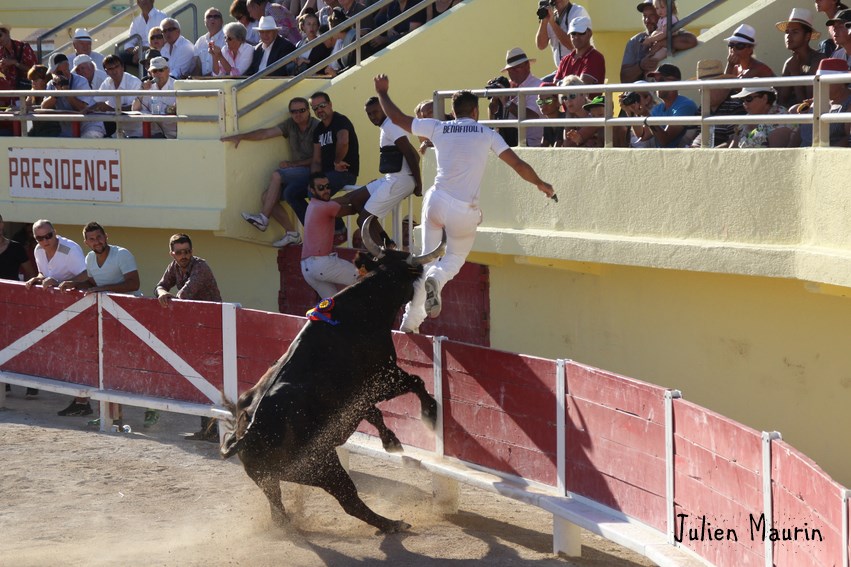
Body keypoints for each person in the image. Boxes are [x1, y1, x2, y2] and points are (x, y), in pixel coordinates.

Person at [372, 74, 556, 334]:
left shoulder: (438, 127)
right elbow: (518, 165)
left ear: (454, 112)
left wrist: (382, 93)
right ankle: (436, 280)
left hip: (435, 201)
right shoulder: (487, 133)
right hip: (463, 209)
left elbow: (400, 119)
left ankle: (409, 324)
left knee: (426, 260)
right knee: (454, 258)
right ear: (475, 111)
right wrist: (540, 183)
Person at [57, 222, 154, 428]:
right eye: (91, 239)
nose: (97, 242)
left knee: (138, 364)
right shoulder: (90, 258)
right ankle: (113, 416)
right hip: (108, 318)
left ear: (106, 236)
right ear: (86, 242)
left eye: (99, 237)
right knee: (110, 366)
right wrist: (75, 284)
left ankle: (152, 409)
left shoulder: (122, 254)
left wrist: (102, 289)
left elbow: (133, 284)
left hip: (132, 317)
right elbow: (92, 283)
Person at [155, 233, 223, 442]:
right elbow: (161, 285)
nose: (184, 256)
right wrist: (160, 293)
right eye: (179, 252)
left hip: (214, 328)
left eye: (187, 252)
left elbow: (183, 296)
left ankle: (217, 430)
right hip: (197, 329)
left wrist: (166, 295)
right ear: (172, 254)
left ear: (192, 252)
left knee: (212, 378)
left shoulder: (200, 267)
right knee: (201, 377)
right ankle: (208, 429)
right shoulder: (173, 267)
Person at [229, 96, 319, 247]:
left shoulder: (317, 127)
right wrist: (242, 136)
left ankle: (263, 218)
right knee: (267, 198)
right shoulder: (290, 124)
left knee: (278, 174)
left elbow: (319, 158)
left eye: (302, 110)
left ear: (308, 111)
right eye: (294, 111)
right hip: (296, 171)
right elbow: (265, 133)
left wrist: (292, 164)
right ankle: (292, 233)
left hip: (313, 171)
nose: (298, 114)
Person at [336, 96, 422, 248]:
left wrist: (417, 183)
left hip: (399, 180)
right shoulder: (388, 125)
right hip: (392, 178)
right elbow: (414, 154)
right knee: (354, 200)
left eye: (375, 112)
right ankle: (388, 244)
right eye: (368, 114)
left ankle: (387, 257)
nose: (372, 116)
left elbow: (410, 154)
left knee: (363, 220)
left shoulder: (391, 125)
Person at [23, 220, 87, 404]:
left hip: (78, 308)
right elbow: (46, 274)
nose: (45, 241)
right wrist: (39, 278)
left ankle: (82, 401)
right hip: (55, 310)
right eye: (39, 238)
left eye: (48, 236)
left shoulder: (70, 250)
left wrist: (59, 283)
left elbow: (85, 276)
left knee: (79, 352)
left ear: (55, 232)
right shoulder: (38, 251)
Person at [307, 91, 359, 240]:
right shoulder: (318, 130)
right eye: (315, 108)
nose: (319, 110)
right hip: (327, 174)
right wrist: (313, 179)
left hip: (345, 173)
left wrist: (337, 162)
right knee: (301, 191)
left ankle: (339, 229)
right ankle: (325, 228)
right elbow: (316, 160)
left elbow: (343, 141)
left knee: (316, 193)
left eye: (322, 105)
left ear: (330, 105)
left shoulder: (341, 120)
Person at [300, 172, 359, 298]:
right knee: (363, 277)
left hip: (307, 268)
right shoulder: (326, 207)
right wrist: (370, 194)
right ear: (312, 190)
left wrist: (362, 192)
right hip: (321, 264)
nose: (326, 190)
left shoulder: (314, 204)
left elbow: (342, 199)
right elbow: (352, 208)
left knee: (332, 306)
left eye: (328, 186)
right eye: (321, 188)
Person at [41, 53, 106, 139]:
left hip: (90, 126)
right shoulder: (51, 84)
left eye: (66, 70)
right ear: (52, 73)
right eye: (59, 72)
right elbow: (44, 108)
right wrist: (55, 94)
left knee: (87, 141)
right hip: (68, 130)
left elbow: (82, 108)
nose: (65, 74)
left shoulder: (81, 81)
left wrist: (67, 93)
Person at [791, 58, 851, 147]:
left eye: (825, 82)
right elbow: (800, 133)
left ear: (841, 82)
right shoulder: (816, 100)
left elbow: (848, 140)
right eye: (818, 82)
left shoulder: (848, 105)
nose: (819, 86)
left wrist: (824, 156)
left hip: (829, 157)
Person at [776, 8, 826, 108]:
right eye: (787, 32)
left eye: (795, 32)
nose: (788, 36)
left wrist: (795, 74)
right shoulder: (790, 62)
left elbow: (808, 103)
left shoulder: (818, 60)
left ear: (807, 36)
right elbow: (781, 101)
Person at [688, 59, 744, 148]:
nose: (701, 91)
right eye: (700, 87)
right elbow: (688, 135)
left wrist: (711, 153)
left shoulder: (736, 105)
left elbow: (735, 140)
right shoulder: (703, 107)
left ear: (721, 85)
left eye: (707, 87)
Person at [642, 63, 698, 148]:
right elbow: (643, 136)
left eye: (661, 80)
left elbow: (665, 140)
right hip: (665, 158)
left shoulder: (686, 105)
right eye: (654, 81)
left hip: (680, 158)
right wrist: (631, 111)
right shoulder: (658, 108)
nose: (656, 84)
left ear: (675, 82)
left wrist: (646, 115)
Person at [497, 47, 542, 147]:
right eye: (510, 69)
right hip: (506, 142)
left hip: (529, 144)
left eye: (517, 67)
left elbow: (531, 116)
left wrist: (506, 102)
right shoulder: (506, 86)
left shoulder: (537, 86)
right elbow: (493, 117)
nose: (513, 72)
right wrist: (495, 101)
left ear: (527, 66)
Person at [91, 54, 144, 138]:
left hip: (136, 131)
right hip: (118, 130)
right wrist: (88, 109)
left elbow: (133, 108)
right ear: (106, 71)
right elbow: (96, 101)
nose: (114, 71)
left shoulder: (134, 82)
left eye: (116, 67)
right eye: (110, 68)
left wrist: (110, 109)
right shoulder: (107, 82)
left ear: (122, 67)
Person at [535, 0, 589, 79]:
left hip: (581, 69)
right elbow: (541, 45)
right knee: (539, 87)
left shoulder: (577, 12)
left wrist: (553, 23)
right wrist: (544, 21)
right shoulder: (551, 15)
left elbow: (574, 45)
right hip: (562, 71)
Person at [728, 86, 797, 148]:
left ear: (764, 98)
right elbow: (731, 151)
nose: (744, 103)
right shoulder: (745, 120)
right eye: (743, 99)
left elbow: (776, 155)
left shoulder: (780, 118)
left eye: (748, 98)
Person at [131, 56, 177, 138]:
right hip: (152, 133)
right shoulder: (148, 87)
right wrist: (142, 91)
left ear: (168, 71)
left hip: (173, 134)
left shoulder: (176, 86)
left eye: (161, 70)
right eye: (155, 71)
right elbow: (134, 109)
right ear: (151, 73)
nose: (158, 73)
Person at [553, 16, 606, 85]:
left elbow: (581, 85)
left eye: (581, 33)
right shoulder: (565, 60)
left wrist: (560, 83)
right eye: (573, 33)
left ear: (590, 34)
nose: (576, 37)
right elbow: (555, 84)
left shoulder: (596, 57)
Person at [0, 22, 38, 112]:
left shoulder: (23, 47)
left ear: (7, 33)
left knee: (25, 119)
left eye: (0, 35)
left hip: (26, 90)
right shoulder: (1, 52)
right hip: (11, 94)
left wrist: (14, 63)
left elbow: (35, 71)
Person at [124, 0, 168, 68]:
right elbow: (128, 43)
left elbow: (166, 40)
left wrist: (143, 50)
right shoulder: (136, 21)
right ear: (138, 3)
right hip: (140, 51)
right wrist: (135, 52)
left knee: (147, 57)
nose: (144, 1)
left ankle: (147, 77)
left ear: (153, 1)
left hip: (158, 51)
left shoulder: (162, 17)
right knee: (120, 57)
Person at [24, 65, 61, 137]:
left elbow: (45, 108)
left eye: (35, 80)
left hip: (52, 129)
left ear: (45, 80)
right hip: (37, 129)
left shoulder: (52, 89)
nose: (33, 83)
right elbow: (25, 106)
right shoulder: (33, 91)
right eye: (32, 80)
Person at [619, 82, 658, 148]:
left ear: (648, 98)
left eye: (636, 96)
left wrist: (636, 113)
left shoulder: (657, 110)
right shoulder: (636, 111)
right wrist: (630, 113)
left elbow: (642, 136)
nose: (634, 100)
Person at [193, 7, 226, 76]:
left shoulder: (228, 38)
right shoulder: (200, 41)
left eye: (216, 16)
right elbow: (197, 65)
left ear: (222, 21)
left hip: (223, 79)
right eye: (209, 17)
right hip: (204, 81)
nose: (212, 19)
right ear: (205, 22)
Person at [537, 82, 565, 147]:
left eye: (548, 100)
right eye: (540, 101)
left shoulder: (564, 119)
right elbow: (542, 148)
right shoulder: (548, 123)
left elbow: (557, 148)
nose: (543, 105)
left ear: (558, 102)